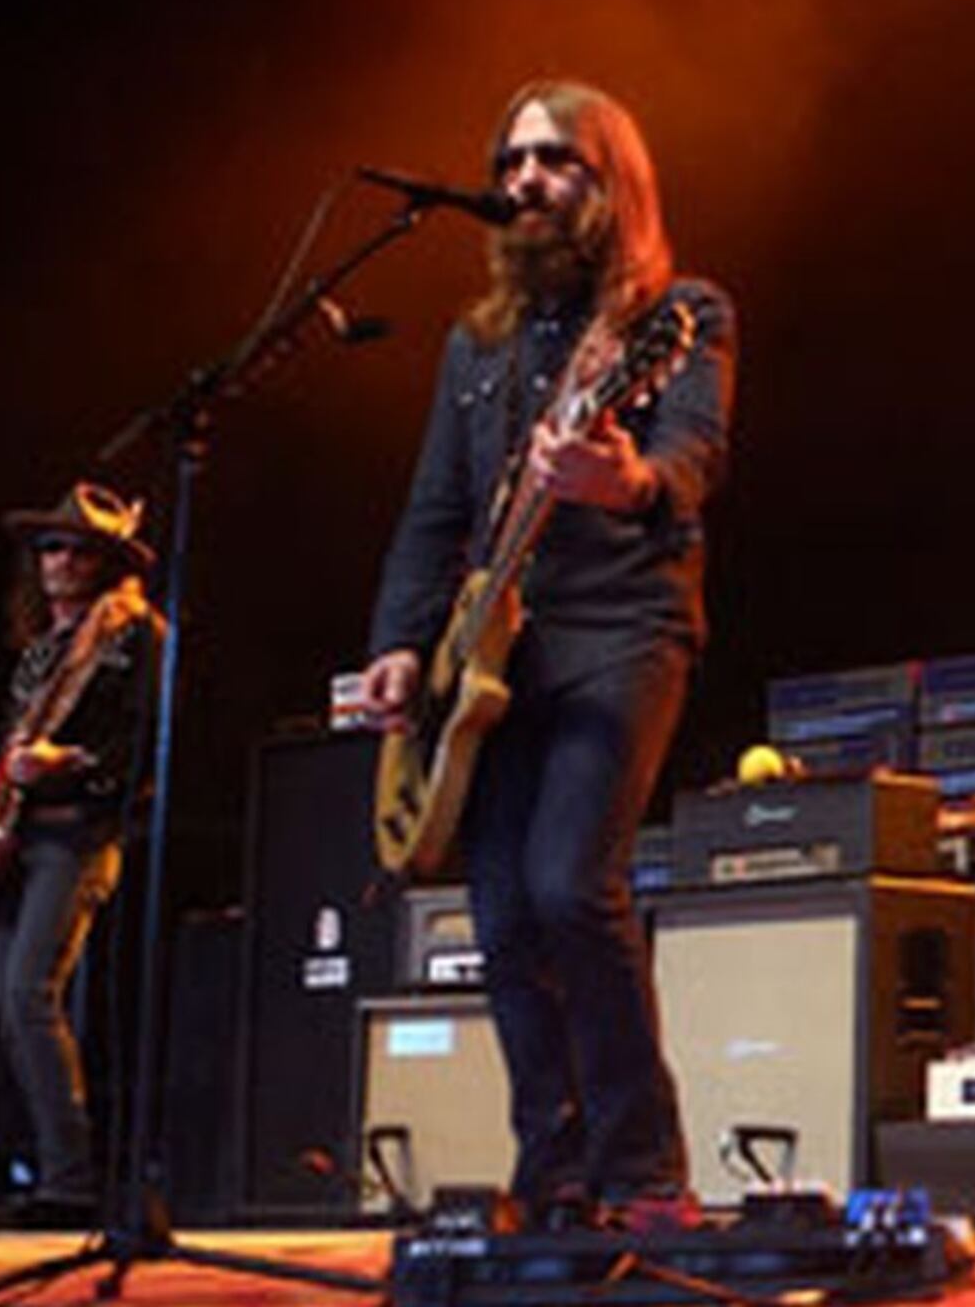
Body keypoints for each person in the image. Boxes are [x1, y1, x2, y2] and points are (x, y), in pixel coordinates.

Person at [362, 79, 735, 1227]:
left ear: (610, 181)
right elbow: (436, 511)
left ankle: (644, 1173)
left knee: (571, 885)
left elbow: (693, 457)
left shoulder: (678, 316)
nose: (524, 179)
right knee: (505, 918)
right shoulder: (476, 343)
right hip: (490, 655)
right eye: (511, 160)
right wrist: (400, 647)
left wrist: (623, 480)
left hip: (623, 625)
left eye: (554, 159)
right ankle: (557, 1174)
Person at [0, 481, 165, 1229]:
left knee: (30, 993)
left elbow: (144, 750)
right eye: (48, 547)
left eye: (75, 549)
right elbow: (4, 751)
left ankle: (71, 1184)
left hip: (78, 834)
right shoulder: (36, 654)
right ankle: (40, 1171)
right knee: (12, 1004)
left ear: (106, 561)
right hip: (14, 838)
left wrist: (73, 763)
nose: (58, 560)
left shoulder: (134, 637)